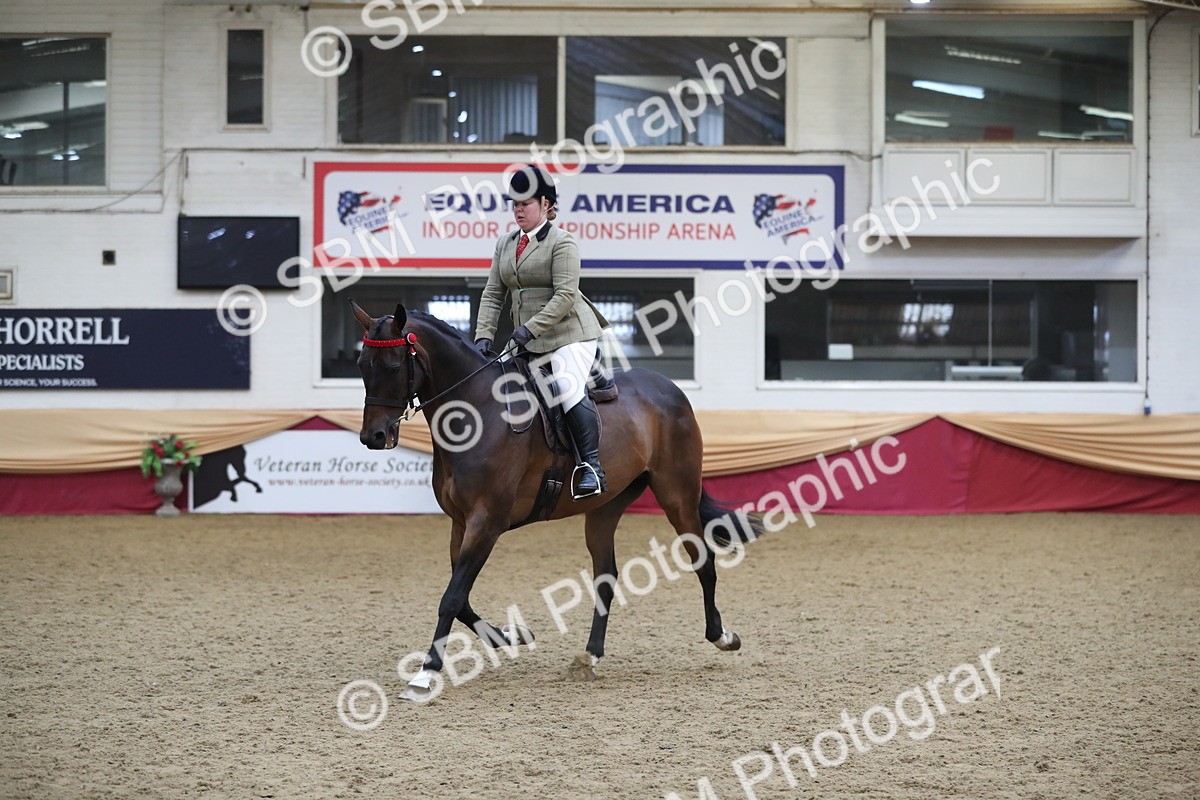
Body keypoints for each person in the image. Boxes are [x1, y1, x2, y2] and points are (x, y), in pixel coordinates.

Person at [473, 165, 610, 497]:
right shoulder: (506, 244)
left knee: (565, 384)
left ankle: (590, 467)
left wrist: (528, 330)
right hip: (530, 338)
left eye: (526, 203)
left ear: (546, 205)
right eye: (515, 204)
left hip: (569, 334)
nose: (518, 210)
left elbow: (565, 296)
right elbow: (493, 293)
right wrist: (483, 334)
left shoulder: (563, 242)